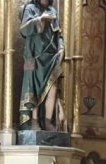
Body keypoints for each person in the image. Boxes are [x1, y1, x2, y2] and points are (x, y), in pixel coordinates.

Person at [19, 0, 65, 131]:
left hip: (51, 57)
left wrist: (61, 48)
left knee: (53, 88)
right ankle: (33, 121)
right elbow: (23, 30)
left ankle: (47, 121)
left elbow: (59, 34)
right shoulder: (30, 8)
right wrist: (40, 20)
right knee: (32, 88)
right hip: (31, 57)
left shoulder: (53, 11)